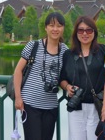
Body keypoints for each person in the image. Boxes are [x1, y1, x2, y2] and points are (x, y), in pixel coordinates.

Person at [13, 12, 68, 140]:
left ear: (63, 28)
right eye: (51, 25)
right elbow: (18, 71)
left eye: (59, 26)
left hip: (51, 106)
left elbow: (63, 77)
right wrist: (18, 97)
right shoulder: (34, 46)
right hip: (30, 104)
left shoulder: (65, 50)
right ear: (46, 28)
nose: (55, 29)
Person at [60, 16, 105, 140]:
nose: (85, 33)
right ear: (76, 33)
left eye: (89, 30)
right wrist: (67, 87)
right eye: (80, 30)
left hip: (97, 106)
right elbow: (62, 78)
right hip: (76, 106)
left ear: (94, 32)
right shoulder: (68, 54)